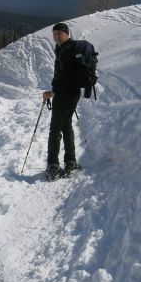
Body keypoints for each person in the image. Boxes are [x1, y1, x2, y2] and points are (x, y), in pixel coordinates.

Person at [42, 22, 82, 181]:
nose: (56, 36)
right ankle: (70, 162)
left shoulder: (67, 50)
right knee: (66, 126)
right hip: (71, 94)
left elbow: (65, 77)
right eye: (54, 33)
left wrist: (53, 92)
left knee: (55, 129)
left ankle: (53, 166)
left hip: (66, 94)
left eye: (59, 33)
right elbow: (61, 75)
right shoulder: (63, 48)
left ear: (67, 34)